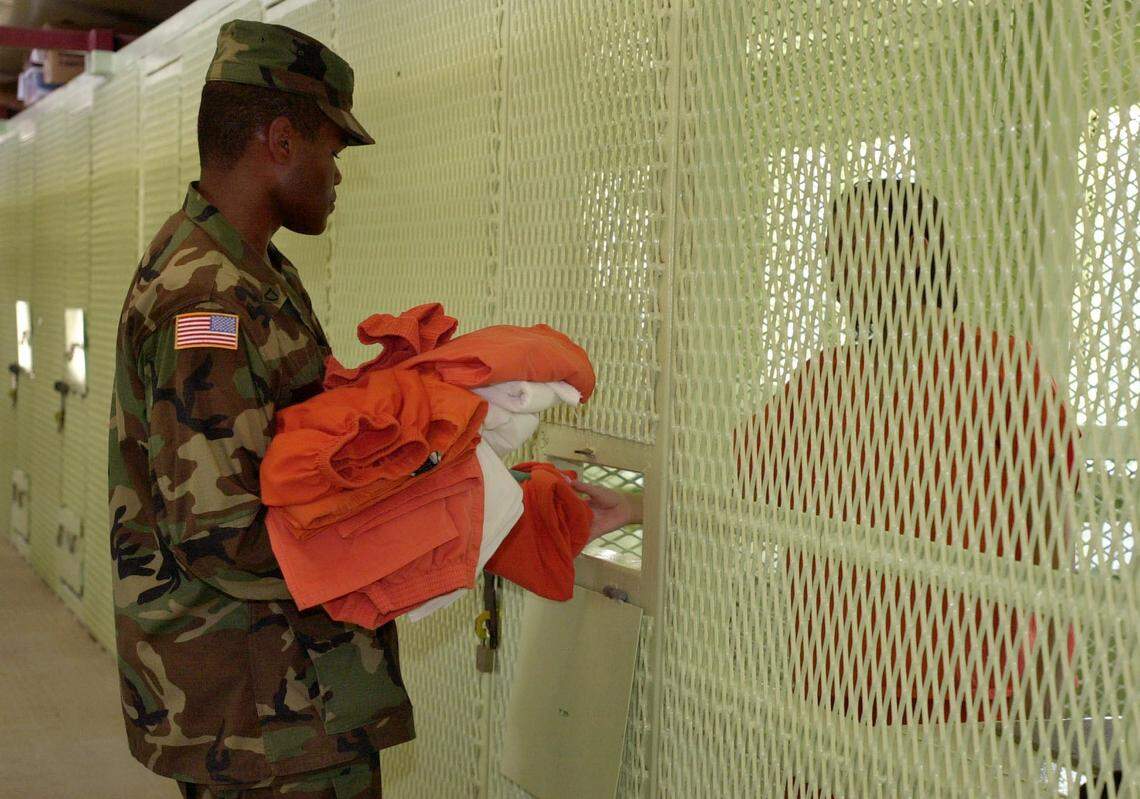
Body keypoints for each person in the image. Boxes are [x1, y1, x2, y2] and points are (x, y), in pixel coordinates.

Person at [108, 20, 640, 798]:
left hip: (283, 697)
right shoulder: (205, 299)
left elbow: (307, 458)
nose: (338, 175)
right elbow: (225, 536)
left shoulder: (252, 272)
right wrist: (450, 510)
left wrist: (479, 474)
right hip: (264, 713)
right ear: (281, 140)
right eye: (332, 149)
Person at [735, 178, 1076, 729]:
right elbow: (729, 482)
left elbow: (1053, 545)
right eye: (829, 255)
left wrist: (1039, 700)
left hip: (969, 705)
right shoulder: (824, 380)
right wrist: (632, 506)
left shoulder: (1004, 370)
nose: (832, 276)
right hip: (833, 696)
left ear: (916, 248)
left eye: (848, 248)